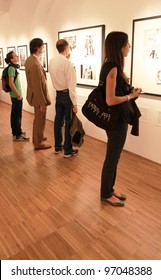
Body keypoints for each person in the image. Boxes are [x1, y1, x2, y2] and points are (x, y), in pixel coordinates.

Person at [100, 31, 141, 207]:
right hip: (116, 121)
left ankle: (110, 188)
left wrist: (130, 91)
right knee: (112, 158)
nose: (129, 47)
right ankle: (105, 193)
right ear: (119, 46)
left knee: (114, 157)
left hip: (117, 120)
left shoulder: (111, 65)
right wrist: (130, 97)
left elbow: (115, 92)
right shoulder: (113, 68)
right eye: (127, 43)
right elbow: (110, 100)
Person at [49, 39, 78, 157]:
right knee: (69, 122)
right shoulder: (67, 63)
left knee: (58, 121)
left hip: (58, 94)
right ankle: (67, 150)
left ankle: (57, 146)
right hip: (67, 95)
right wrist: (75, 103)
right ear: (66, 48)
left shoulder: (52, 61)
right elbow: (71, 85)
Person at [25, 38, 51, 150]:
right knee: (40, 119)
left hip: (35, 96)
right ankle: (38, 143)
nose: (43, 48)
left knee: (38, 119)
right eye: (42, 46)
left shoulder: (31, 60)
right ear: (37, 48)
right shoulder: (34, 63)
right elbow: (37, 86)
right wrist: (42, 103)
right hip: (37, 97)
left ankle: (37, 137)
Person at [5, 51, 29, 141]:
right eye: (15, 56)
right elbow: (11, 83)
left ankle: (16, 132)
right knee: (17, 116)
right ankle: (18, 135)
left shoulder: (12, 67)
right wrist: (18, 95)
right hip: (16, 96)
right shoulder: (11, 68)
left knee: (15, 115)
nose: (17, 56)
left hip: (14, 96)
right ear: (12, 59)